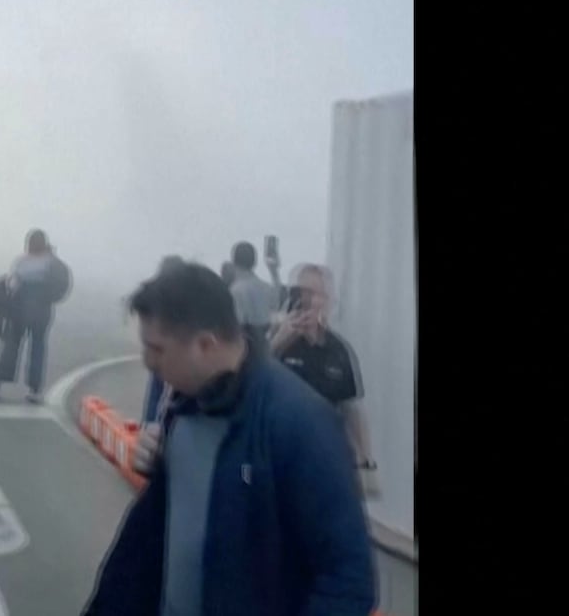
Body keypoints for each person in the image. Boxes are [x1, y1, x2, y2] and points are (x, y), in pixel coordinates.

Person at [83, 264, 377, 616]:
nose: (148, 362)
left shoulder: (301, 425)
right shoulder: (186, 405)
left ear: (205, 345)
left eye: (157, 349)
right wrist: (161, 468)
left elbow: (349, 578)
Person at [269, 264, 377, 472]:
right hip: (277, 456)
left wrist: (366, 460)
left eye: (313, 294)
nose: (305, 300)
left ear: (327, 301)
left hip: (323, 457)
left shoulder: (340, 350)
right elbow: (251, 382)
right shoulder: (272, 339)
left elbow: (352, 407)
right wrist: (277, 342)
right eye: (299, 292)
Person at [0, 229, 71, 404]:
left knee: (12, 346)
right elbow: (60, 288)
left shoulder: (22, 261)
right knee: (37, 348)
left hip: (20, 308)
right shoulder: (52, 262)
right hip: (41, 310)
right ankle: (35, 390)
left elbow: (12, 284)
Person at [140, 255, 187, 423]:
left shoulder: (156, 294)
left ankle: (149, 426)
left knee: (156, 395)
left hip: (161, 356)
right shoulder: (187, 297)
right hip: (177, 358)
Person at [227, 241, 279, 354]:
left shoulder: (235, 291)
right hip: (265, 348)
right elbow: (277, 305)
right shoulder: (267, 288)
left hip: (245, 352)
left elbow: (237, 325)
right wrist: (274, 271)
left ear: (233, 262)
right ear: (254, 262)